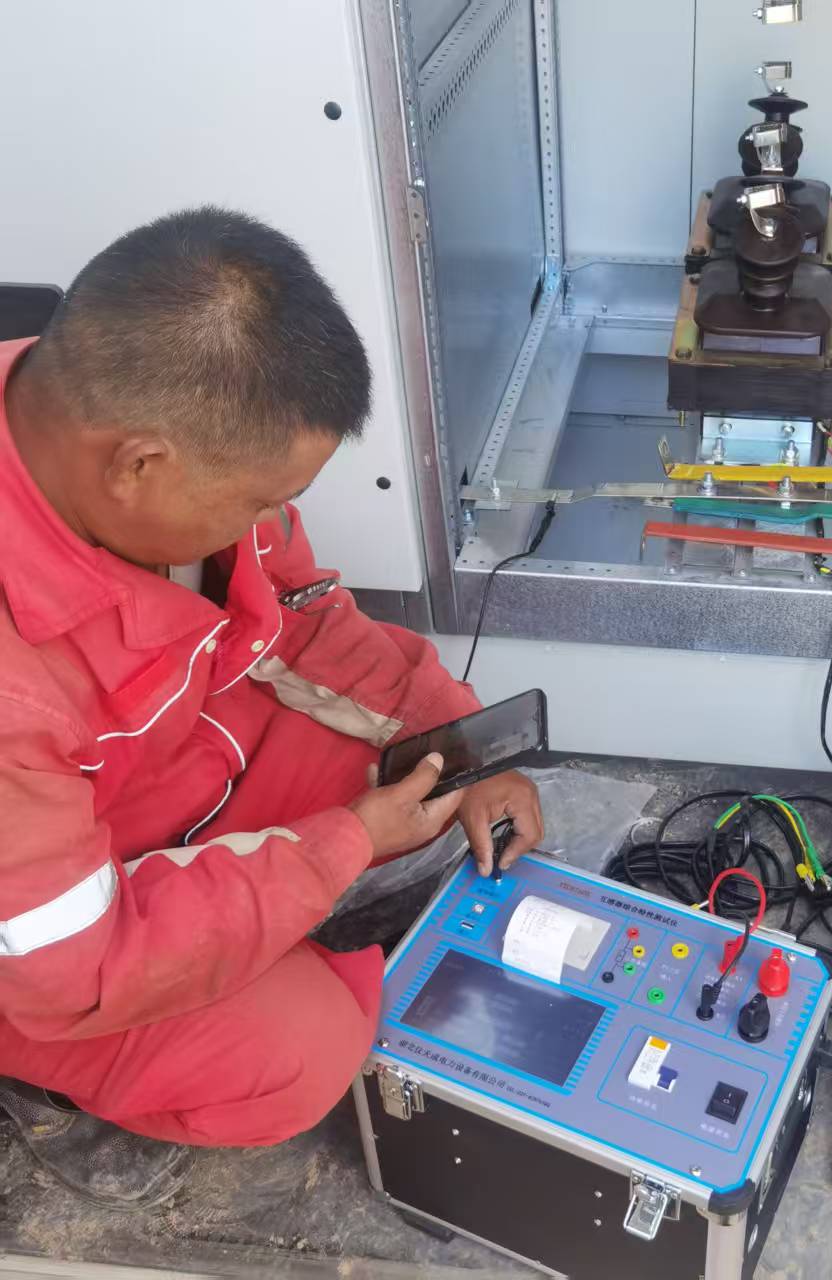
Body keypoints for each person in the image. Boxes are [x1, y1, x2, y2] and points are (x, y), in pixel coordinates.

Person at [0, 207, 542, 1208]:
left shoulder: (109, 413)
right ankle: (51, 1071)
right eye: (255, 501)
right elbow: (73, 963)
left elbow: (300, 617)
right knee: (299, 1055)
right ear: (137, 464)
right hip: (44, 949)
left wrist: (457, 744)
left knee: (409, 775)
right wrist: (335, 850)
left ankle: (247, 919)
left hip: (155, 774)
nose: (269, 521)